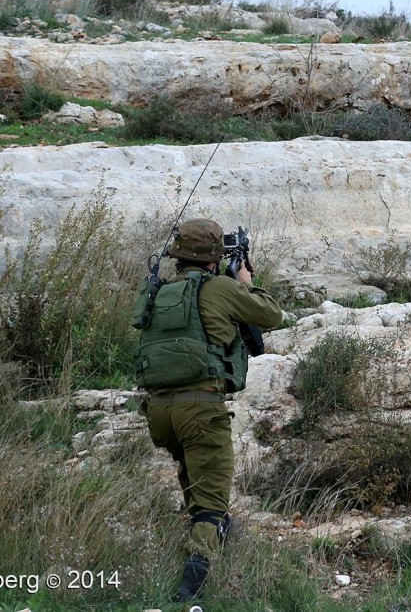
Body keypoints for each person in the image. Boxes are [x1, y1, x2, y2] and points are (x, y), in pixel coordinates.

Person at [132, 218, 284, 603]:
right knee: (212, 506)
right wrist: (246, 281)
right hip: (200, 407)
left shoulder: (158, 292)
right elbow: (271, 314)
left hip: (159, 411)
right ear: (216, 257)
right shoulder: (219, 287)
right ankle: (189, 592)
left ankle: (213, 542)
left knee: (195, 484)